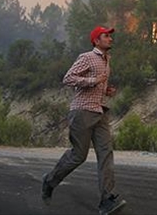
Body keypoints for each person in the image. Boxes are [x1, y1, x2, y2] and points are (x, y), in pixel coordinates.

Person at [41, 26, 126, 215]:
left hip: (100, 112)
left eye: (110, 36)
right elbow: (68, 78)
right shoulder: (87, 57)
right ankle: (49, 181)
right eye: (106, 36)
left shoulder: (107, 60)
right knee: (78, 156)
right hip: (82, 112)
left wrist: (106, 90)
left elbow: (97, 83)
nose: (110, 38)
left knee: (106, 154)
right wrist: (94, 81)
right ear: (96, 40)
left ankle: (107, 200)